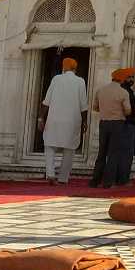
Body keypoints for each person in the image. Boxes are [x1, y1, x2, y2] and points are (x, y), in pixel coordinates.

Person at [40, 57, 87, 185]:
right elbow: (84, 105)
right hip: (72, 121)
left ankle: (50, 174)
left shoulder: (56, 79)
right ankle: (63, 178)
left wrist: (40, 118)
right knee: (69, 149)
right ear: (75, 68)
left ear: (64, 67)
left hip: (54, 119)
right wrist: (84, 121)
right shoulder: (80, 81)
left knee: (49, 146)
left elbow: (46, 101)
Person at [88, 68, 132, 189]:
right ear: (122, 79)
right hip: (117, 123)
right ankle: (108, 181)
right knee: (113, 153)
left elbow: (95, 107)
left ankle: (95, 181)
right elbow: (128, 111)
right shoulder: (123, 92)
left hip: (104, 123)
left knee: (101, 152)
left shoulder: (101, 90)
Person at [113, 69, 135, 187]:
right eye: (129, 77)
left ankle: (117, 178)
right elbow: (128, 110)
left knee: (118, 152)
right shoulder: (125, 91)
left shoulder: (122, 90)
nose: (131, 80)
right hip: (127, 124)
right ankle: (123, 179)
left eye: (132, 77)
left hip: (118, 124)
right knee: (126, 153)